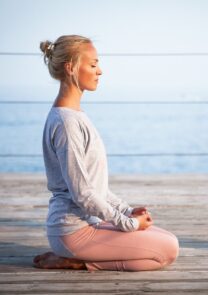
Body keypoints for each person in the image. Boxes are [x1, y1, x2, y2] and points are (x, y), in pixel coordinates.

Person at [33, 35, 179, 271]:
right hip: (74, 231)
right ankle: (77, 261)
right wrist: (128, 224)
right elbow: (83, 195)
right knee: (167, 250)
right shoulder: (66, 123)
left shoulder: (74, 115)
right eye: (93, 64)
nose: (100, 71)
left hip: (88, 225)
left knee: (165, 238)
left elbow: (94, 186)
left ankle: (77, 255)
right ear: (70, 67)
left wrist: (127, 210)